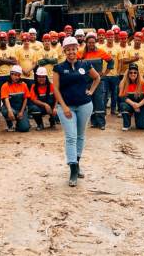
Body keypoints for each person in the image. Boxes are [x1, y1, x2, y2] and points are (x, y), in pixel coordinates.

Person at [53, 36, 100, 187]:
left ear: (77, 49)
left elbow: (97, 77)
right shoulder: (59, 68)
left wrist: (91, 91)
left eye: (74, 48)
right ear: (65, 51)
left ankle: (77, 163)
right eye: (68, 49)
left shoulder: (85, 64)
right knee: (71, 137)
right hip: (66, 107)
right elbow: (55, 88)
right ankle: (73, 169)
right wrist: (64, 106)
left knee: (80, 136)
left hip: (84, 105)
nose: (71, 51)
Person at [79, 32, 113, 130]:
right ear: (86, 43)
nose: (91, 44)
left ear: (95, 42)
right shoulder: (81, 52)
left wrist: (105, 73)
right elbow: (75, 62)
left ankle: (101, 123)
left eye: (93, 42)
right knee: (90, 101)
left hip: (98, 81)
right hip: (86, 81)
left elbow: (111, 61)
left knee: (99, 101)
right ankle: (94, 122)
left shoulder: (101, 52)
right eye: (89, 43)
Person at [118, 63, 144, 130]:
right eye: (130, 72)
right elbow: (122, 97)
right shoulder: (123, 83)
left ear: (137, 73)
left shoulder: (143, 83)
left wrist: (138, 105)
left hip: (141, 105)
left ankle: (142, 117)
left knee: (142, 126)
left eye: (135, 72)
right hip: (130, 105)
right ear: (128, 74)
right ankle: (127, 125)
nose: (133, 74)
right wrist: (133, 105)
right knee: (123, 105)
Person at [1, 65, 30, 132]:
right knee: (6, 111)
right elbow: (6, 99)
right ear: (11, 74)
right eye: (15, 75)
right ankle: (10, 124)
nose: (17, 77)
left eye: (19, 75)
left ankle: (19, 124)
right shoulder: (5, 86)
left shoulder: (24, 85)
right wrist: (10, 111)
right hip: (11, 108)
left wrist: (22, 112)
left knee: (24, 128)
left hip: (20, 109)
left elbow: (26, 99)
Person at [103, 30, 121, 116]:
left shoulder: (117, 48)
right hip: (105, 75)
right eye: (108, 36)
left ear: (113, 37)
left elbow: (120, 61)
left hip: (114, 75)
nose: (110, 38)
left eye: (111, 36)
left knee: (114, 94)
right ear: (106, 37)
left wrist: (118, 72)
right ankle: (103, 110)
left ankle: (113, 110)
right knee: (105, 93)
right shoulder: (102, 48)